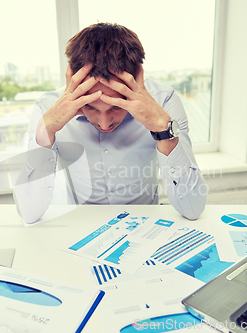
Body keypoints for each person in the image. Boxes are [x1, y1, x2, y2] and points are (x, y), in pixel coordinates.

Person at [14, 23, 208, 224]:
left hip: (146, 225)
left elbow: (193, 208)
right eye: (90, 107)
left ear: (136, 79)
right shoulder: (48, 109)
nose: (105, 124)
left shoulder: (164, 102)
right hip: (81, 228)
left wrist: (164, 131)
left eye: (116, 106)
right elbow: (29, 213)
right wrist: (46, 131)